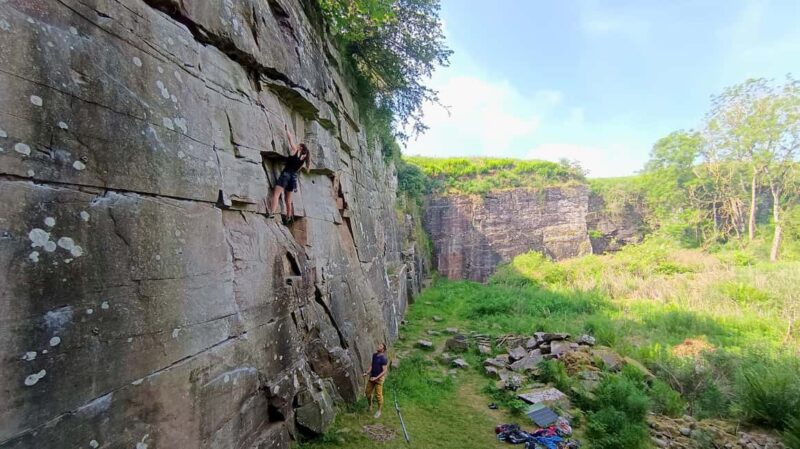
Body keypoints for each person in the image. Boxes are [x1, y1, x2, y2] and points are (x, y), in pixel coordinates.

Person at [268, 123, 311, 219]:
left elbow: (290, 139)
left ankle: (272, 213)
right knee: (288, 199)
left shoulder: (295, 150)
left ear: (300, 148)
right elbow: (297, 170)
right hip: (292, 178)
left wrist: (287, 130)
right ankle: (288, 217)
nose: (296, 145)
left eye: (298, 144)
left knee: (276, 194)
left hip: (285, 175)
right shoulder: (303, 160)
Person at [364, 343, 389, 418]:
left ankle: (379, 411)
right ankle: (370, 406)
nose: (378, 346)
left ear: (383, 349)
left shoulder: (383, 358)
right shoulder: (374, 355)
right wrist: (367, 372)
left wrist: (376, 378)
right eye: (378, 345)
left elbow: (384, 371)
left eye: (380, 346)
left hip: (379, 379)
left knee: (378, 395)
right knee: (367, 393)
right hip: (372, 377)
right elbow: (372, 365)